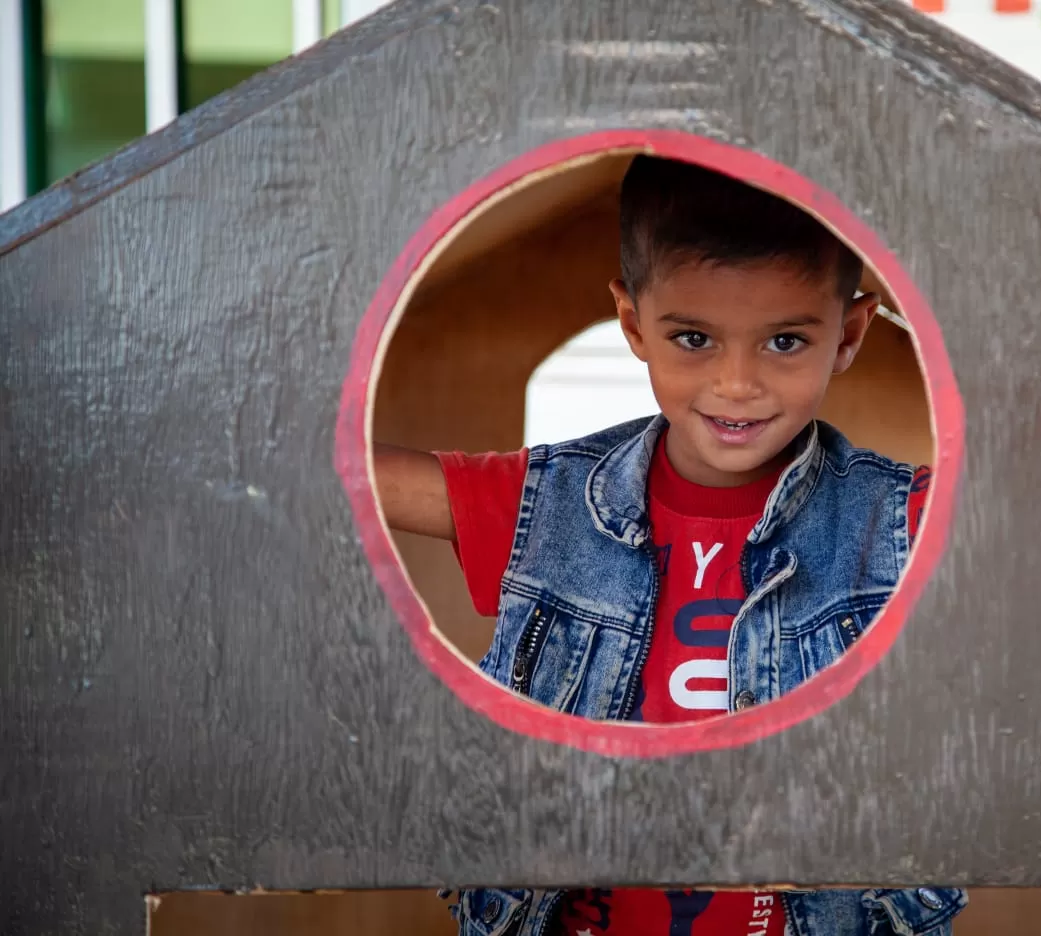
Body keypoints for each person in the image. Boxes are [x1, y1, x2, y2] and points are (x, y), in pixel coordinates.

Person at [373, 155, 966, 936]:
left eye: (785, 342)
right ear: (632, 326)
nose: (737, 384)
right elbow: (334, 474)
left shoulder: (894, 519)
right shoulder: (548, 504)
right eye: (694, 338)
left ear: (851, 332)